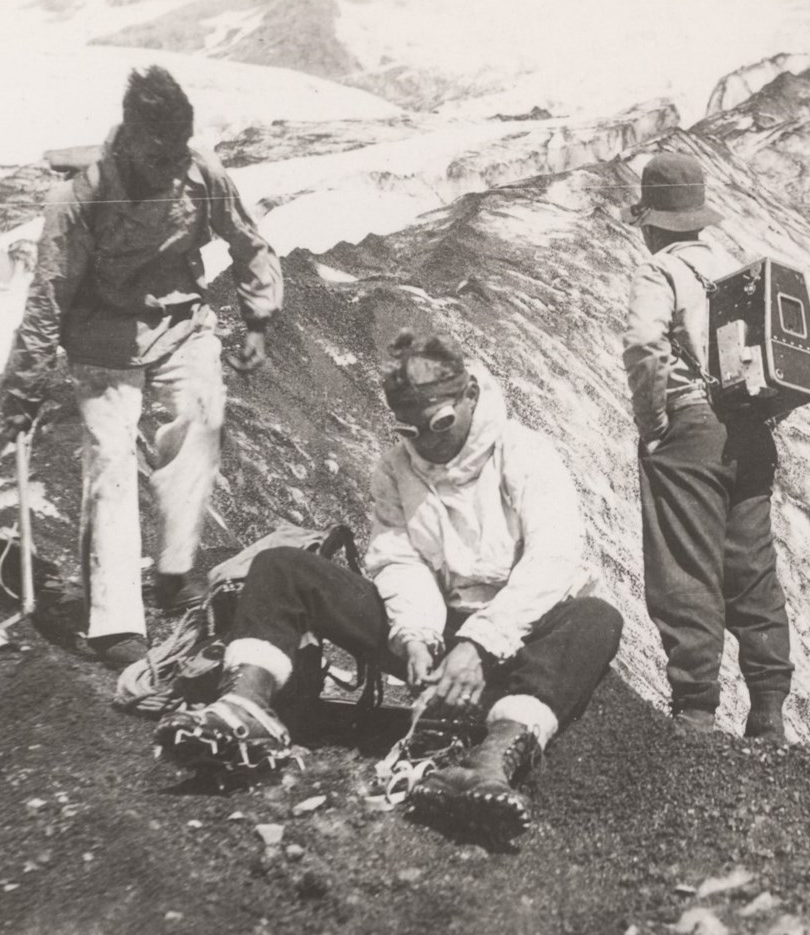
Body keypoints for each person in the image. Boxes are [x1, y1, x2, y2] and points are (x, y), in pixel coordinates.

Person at [155, 330, 623, 836]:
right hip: (436, 632)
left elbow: (552, 561)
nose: (427, 440)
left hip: (513, 639)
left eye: (439, 422)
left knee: (597, 619)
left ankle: (491, 759)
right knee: (282, 568)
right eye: (411, 428)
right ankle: (246, 704)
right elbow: (398, 559)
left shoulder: (525, 454)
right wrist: (415, 636)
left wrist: (480, 646)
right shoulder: (395, 468)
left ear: (469, 395)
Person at [1, 66, 282, 669]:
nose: (170, 166)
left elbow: (247, 241)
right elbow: (48, 293)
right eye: (159, 154)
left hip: (180, 321)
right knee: (110, 462)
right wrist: (24, 382)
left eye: (178, 150)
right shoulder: (79, 198)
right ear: (129, 138)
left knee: (200, 422)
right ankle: (114, 621)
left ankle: (175, 571)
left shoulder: (200, 172)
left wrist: (257, 320)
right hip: (101, 335)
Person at [620, 152, 793, 742]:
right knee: (751, 569)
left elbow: (645, 344)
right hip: (751, 432)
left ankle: (695, 714)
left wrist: (654, 424)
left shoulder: (660, 271)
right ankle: (768, 712)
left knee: (686, 567)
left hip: (691, 429)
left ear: (651, 224)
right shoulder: (731, 266)